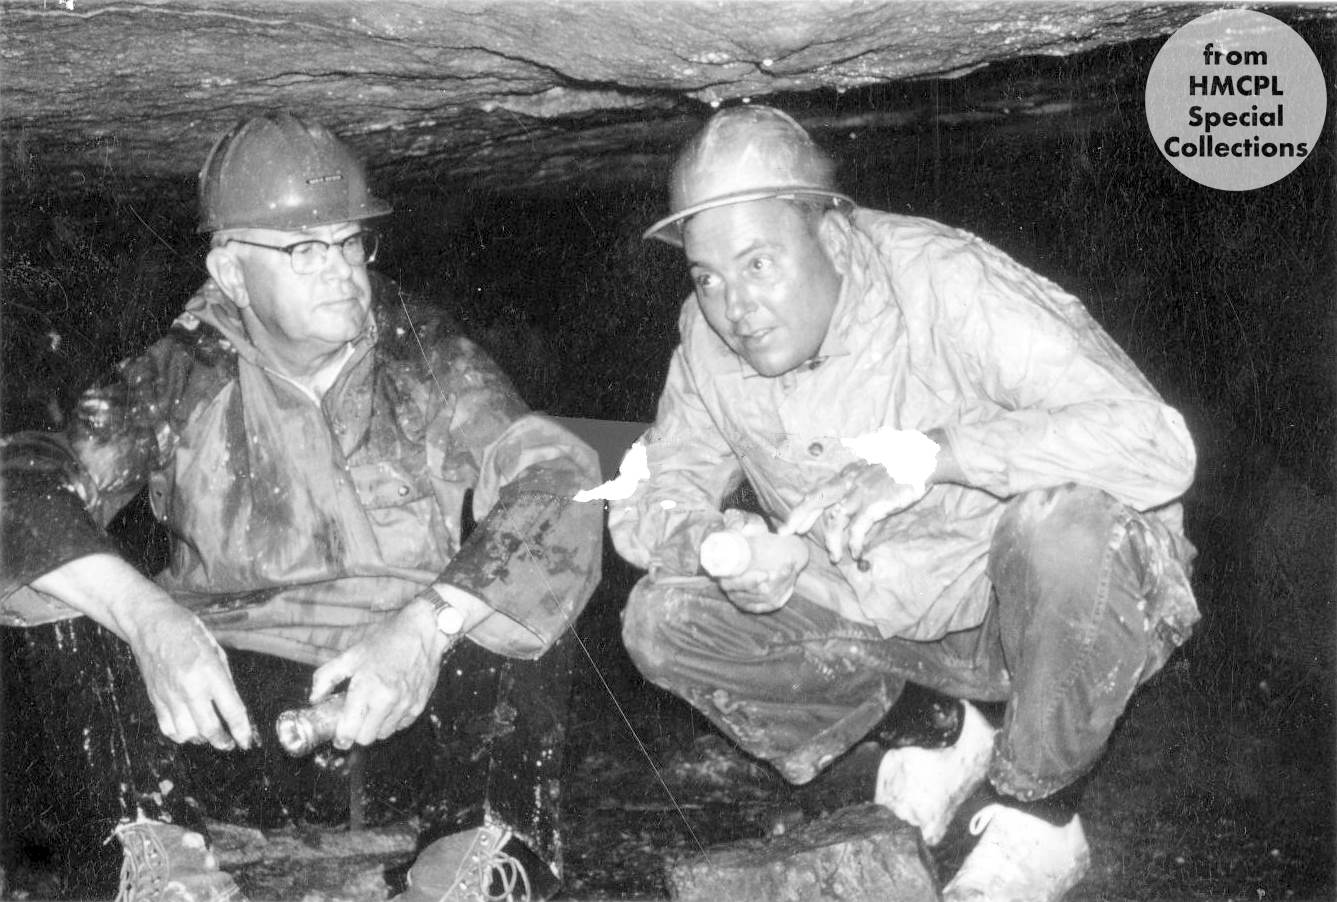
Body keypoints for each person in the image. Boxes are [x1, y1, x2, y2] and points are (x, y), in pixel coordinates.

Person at [0, 112, 602, 902]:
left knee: (534, 571)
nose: (341, 271)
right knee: (49, 578)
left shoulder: (426, 357)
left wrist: (427, 626)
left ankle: (480, 858)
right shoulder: (178, 374)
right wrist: (148, 619)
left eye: (350, 242)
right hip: (224, 728)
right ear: (231, 272)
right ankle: (149, 857)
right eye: (305, 250)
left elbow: (560, 477)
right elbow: (19, 486)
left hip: (410, 715)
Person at [609, 105, 1199, 901]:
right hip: (892, 626)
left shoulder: (941, 281)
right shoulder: (707, 341)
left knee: (1063, 530)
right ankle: (941, 733)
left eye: (758, 264)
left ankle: (1041, 815)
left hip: (1045, 614)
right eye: (706, 276)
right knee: (664, 618)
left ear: (829, 235)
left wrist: (936, 455)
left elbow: (1157, 442)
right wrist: (723, 545)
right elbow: (652, 490)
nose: (734, 308)